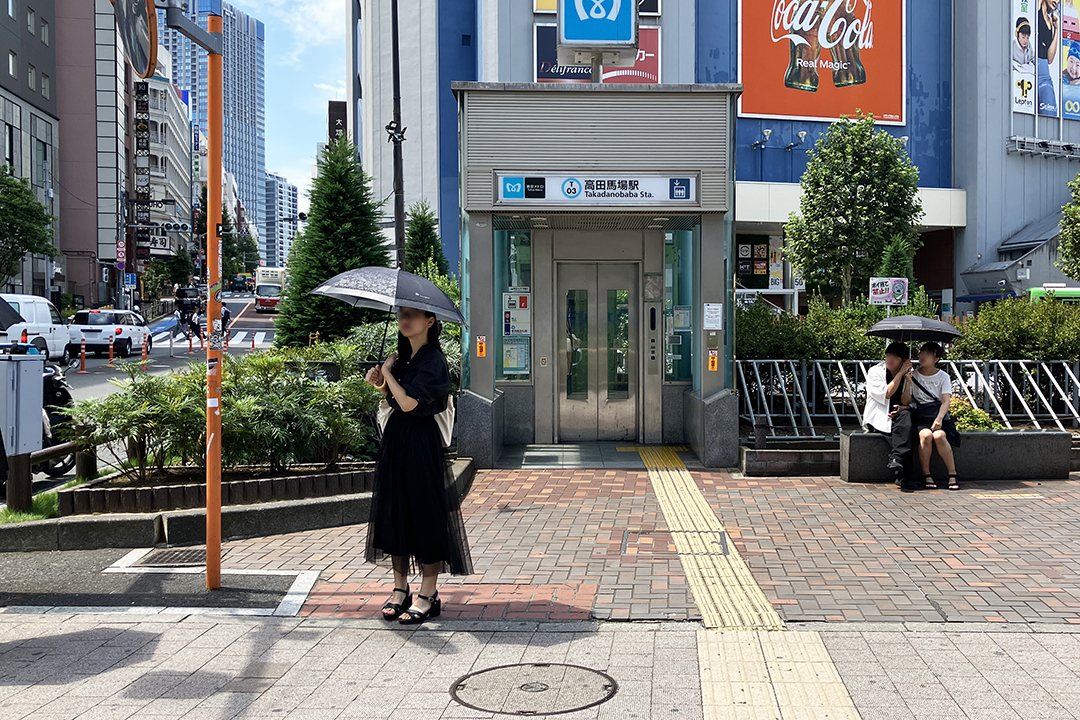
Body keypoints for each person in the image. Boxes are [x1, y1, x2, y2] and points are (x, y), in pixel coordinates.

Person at [363, 307, 472, 624]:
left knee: (425, 515)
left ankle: (428, 594)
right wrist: (382, 383)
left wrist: (389, 375)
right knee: (395, 512)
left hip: (422, 446)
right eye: (401, 315)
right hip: (397, 443)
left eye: (412, 315)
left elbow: (410, 403)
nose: (404, 320)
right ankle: (400, 590)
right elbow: (396, 401)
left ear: (429, 321)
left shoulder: (434, 361)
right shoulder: (403, 359)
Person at [864, 342, 917, 491]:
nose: (890, 360)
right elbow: (886, 394)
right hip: (879, 416)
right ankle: (904, 475)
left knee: (906, 419)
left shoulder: (910, 374)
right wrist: (899, 374)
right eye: (888, 356)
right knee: (904, 434)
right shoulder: (876, 372)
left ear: (904, 360)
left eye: (895, 357)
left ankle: (897, 458)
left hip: (900, 415)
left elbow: (906, 401)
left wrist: (907, 381)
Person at [910, 342, 961, 491]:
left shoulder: (943, 376)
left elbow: (946, 401)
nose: (922, 356)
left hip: (939, 416)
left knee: (939, 436)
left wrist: (938, 419)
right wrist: (907, 381)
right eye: (921, 352)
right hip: (922, 417)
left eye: (927, 353)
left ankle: (953, 474)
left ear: (936, 358)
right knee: (925, 435)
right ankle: (926, 474)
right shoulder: (913, 375)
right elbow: (908, 400)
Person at [1039, 0, 1061, 115]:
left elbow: (1050, 58)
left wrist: (1056, 29)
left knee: (1050, 113)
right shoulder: (1035, 9)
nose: (1056, 1)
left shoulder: (1050, 20)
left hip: (1044, 75)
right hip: (1027, 69)